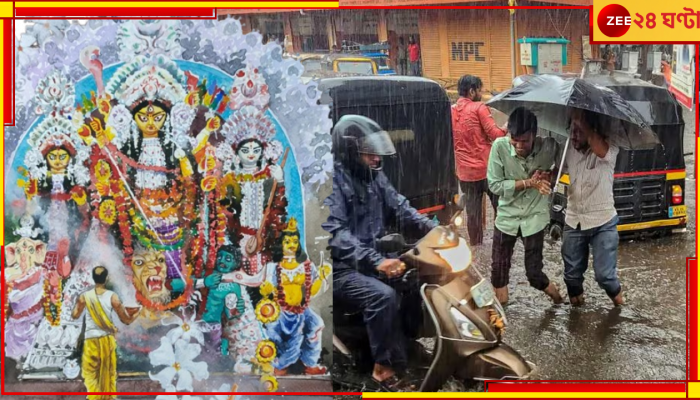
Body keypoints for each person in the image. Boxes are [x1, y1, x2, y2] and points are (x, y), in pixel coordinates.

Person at [323, 115, 437, 390]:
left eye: (377, 152)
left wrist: (435, 229)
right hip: (337, 269)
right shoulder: (332, 182)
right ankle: (382, 371)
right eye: (369, 153)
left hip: (367, 260)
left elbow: (399, 206)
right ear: (350, 152)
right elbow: (336, 234)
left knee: (415, 280)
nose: (376, 159)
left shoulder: (374, 176)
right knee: (382, 297)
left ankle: (402, 346)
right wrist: (377, 261)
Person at [487, 108, 563, 305]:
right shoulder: (499, 147)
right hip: (506, 218)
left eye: (525, 141)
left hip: (534, 218)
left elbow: (565, 168)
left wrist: (550, 177)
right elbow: (494, 185)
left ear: (535, 135)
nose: (519, 146)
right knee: (498, 272)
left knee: (534, 274)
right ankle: (502, 319)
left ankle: (557, 298)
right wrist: (529, 183)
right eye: (515, 139)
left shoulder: (549, 147)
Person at [562, 109, 624, 307]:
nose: (574, 136)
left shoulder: (610, 146)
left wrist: (584, 124)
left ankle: (621, 306)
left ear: (592, 131)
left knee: (604, 276)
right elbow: (556, 168)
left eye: (578, 131)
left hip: (603, 221)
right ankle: (577, 320)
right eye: (572, 130)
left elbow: (602, 152)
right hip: (574, 219)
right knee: (571, 278)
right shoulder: (567, 148)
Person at [452, 75, 507, 246]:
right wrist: (507, 126)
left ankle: (476, 246)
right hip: (487, 170)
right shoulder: (479, 108)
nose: (481, 93)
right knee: (501, 209)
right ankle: (501, 243)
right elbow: (496, 136)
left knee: (473, 213)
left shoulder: (451, 110)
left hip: (465, 173)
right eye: (480, 90)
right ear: (472, 91)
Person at [71, 266, 140, 400]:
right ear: (106, 278)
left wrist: (78, 304)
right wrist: (136, 314)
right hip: (106, 340)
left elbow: (74, 315)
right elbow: (126, 320)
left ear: (93, 278)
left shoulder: (85, 297)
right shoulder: (112, 297)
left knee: (90, 373)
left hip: (91, 340)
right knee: (108, 374)